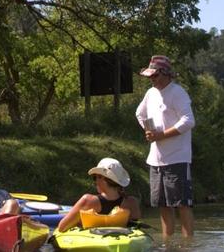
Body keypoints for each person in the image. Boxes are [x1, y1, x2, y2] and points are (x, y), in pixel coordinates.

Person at [135, 55, 195, 237]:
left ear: (166, 74)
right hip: (156, 160)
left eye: (155, 76)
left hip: (177, 157)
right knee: (162, 205)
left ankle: (188, 246)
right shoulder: (150, 93)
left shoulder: (177, 92)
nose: (152, 79)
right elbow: (140, 113)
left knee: (182, 204)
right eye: (150, 76)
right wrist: (149, 131)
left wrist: (161, 134)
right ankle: (167, 245)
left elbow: (189, 121)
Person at [56, 157, 141, 232]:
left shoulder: (88, 201)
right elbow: (136, 229)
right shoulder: (131, 202)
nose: (95, 182)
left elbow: (62, 227)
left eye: (95, 177)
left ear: (102, 178)